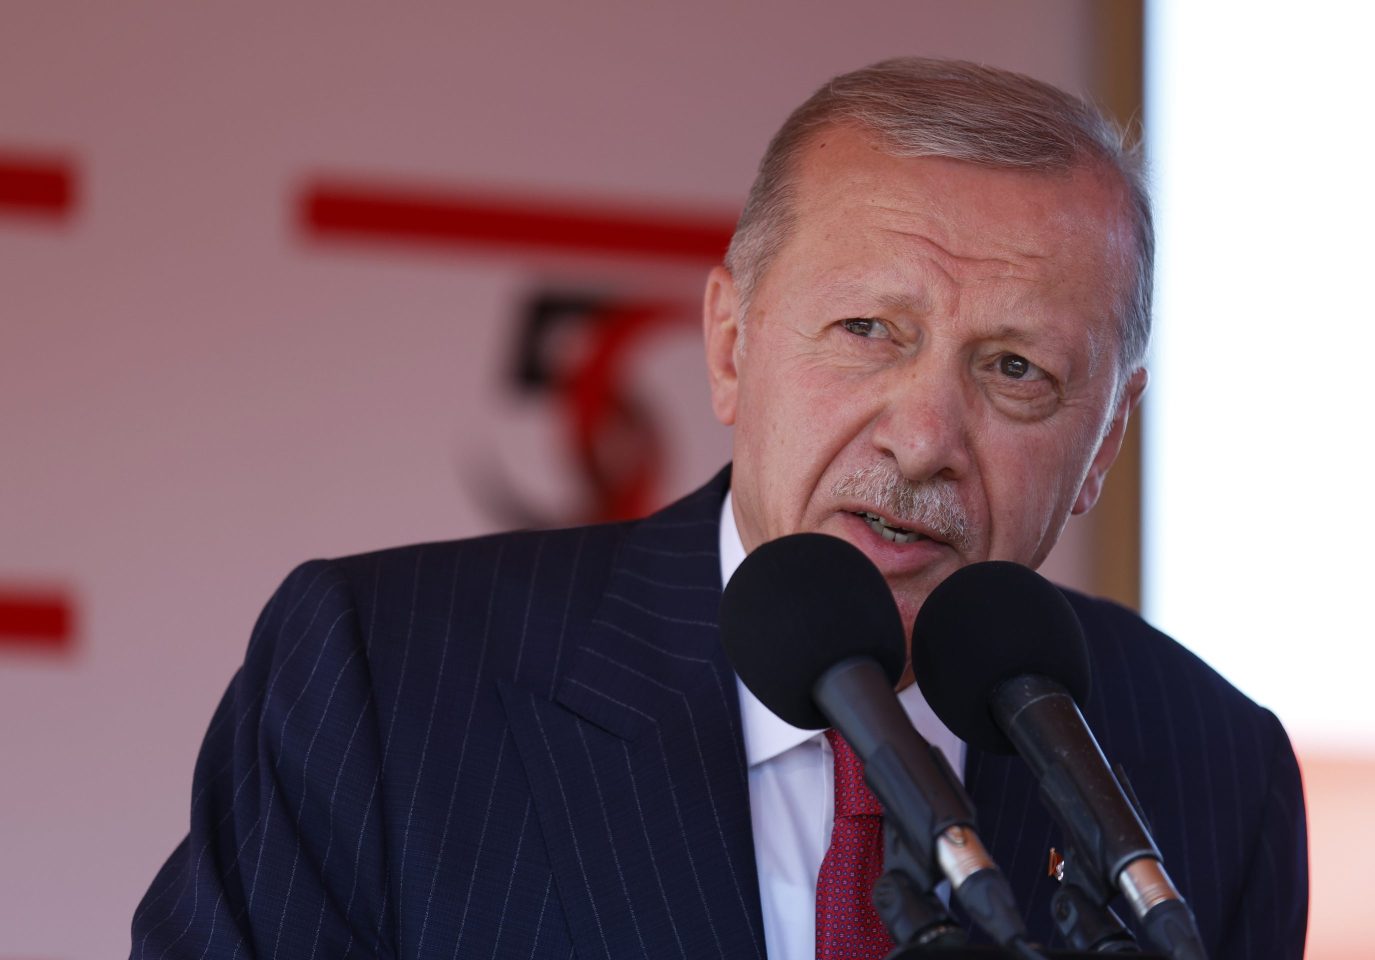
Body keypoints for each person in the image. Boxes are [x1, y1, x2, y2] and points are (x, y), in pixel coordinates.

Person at [131, 58, 1308, 960]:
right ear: (732, 343)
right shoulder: (383, 680)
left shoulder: (1206, 771)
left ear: (1105, 439)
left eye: (1015, 371)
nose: (925, 438)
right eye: (867, 333)